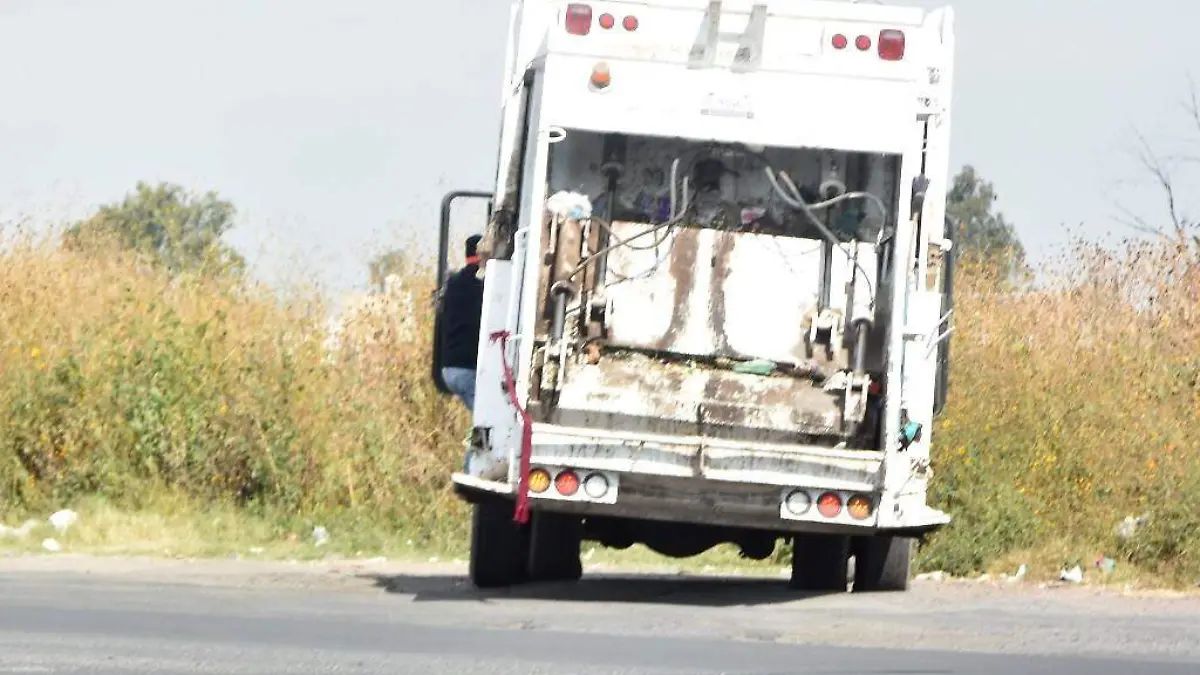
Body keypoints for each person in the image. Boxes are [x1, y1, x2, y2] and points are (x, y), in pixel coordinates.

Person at [438, 234, 485, 411]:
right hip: (468, 369)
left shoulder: (454, 283)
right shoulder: (482, 286)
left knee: (482, 423)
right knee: (489, 417)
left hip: (449, 370)